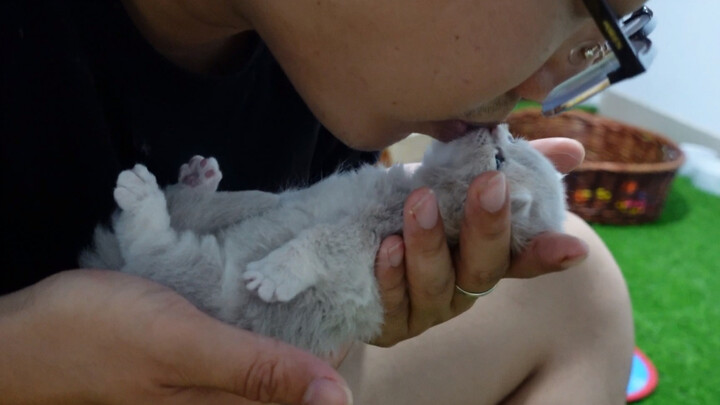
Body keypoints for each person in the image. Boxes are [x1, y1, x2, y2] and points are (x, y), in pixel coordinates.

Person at [0, 0, 643, 403]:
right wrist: (21, 365)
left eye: (607, 41)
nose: (550, 88)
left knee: (580, 290)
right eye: (580, 12)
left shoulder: (329, 61)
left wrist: (353, 317)